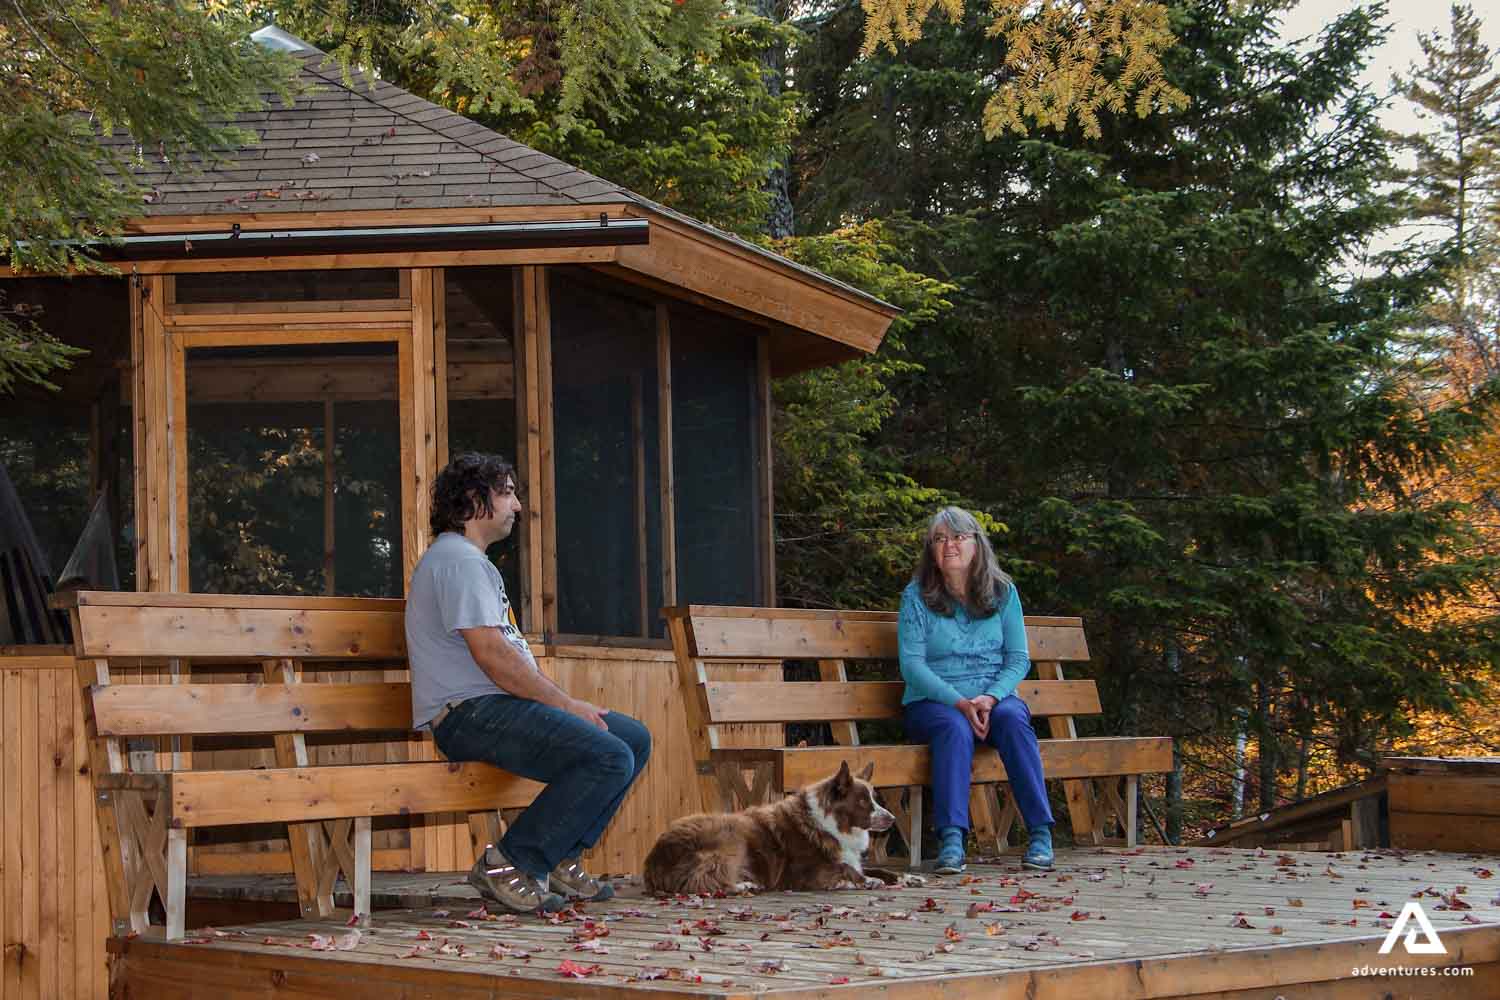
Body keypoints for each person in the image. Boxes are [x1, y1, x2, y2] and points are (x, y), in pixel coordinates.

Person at [405, 452, 652, 913]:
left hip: (493, 709)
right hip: (470, 715)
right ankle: (511, 862)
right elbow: (494, 657)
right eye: (507, 493)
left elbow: (501, 658)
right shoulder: (458, 562)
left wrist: (563, 704)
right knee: (608, 754)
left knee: (631, 739)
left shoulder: (466, 561)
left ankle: (561, 855)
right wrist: (564, 703)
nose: (517, 506)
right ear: (474, 501)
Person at [897, 506, 1055, 874]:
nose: (948, 545)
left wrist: (989, 697)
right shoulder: (916, 596)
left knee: (1014, 719)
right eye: (939, 539)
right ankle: (951, 839)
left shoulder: (1003, 592)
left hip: (992, 698)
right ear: (931, 551)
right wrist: (959, 702)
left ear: (976, 544)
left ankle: (1040, 834)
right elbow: (912, 667)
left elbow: (1018, 659)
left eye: (957, 537)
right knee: (953, 727)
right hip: (934, 702)